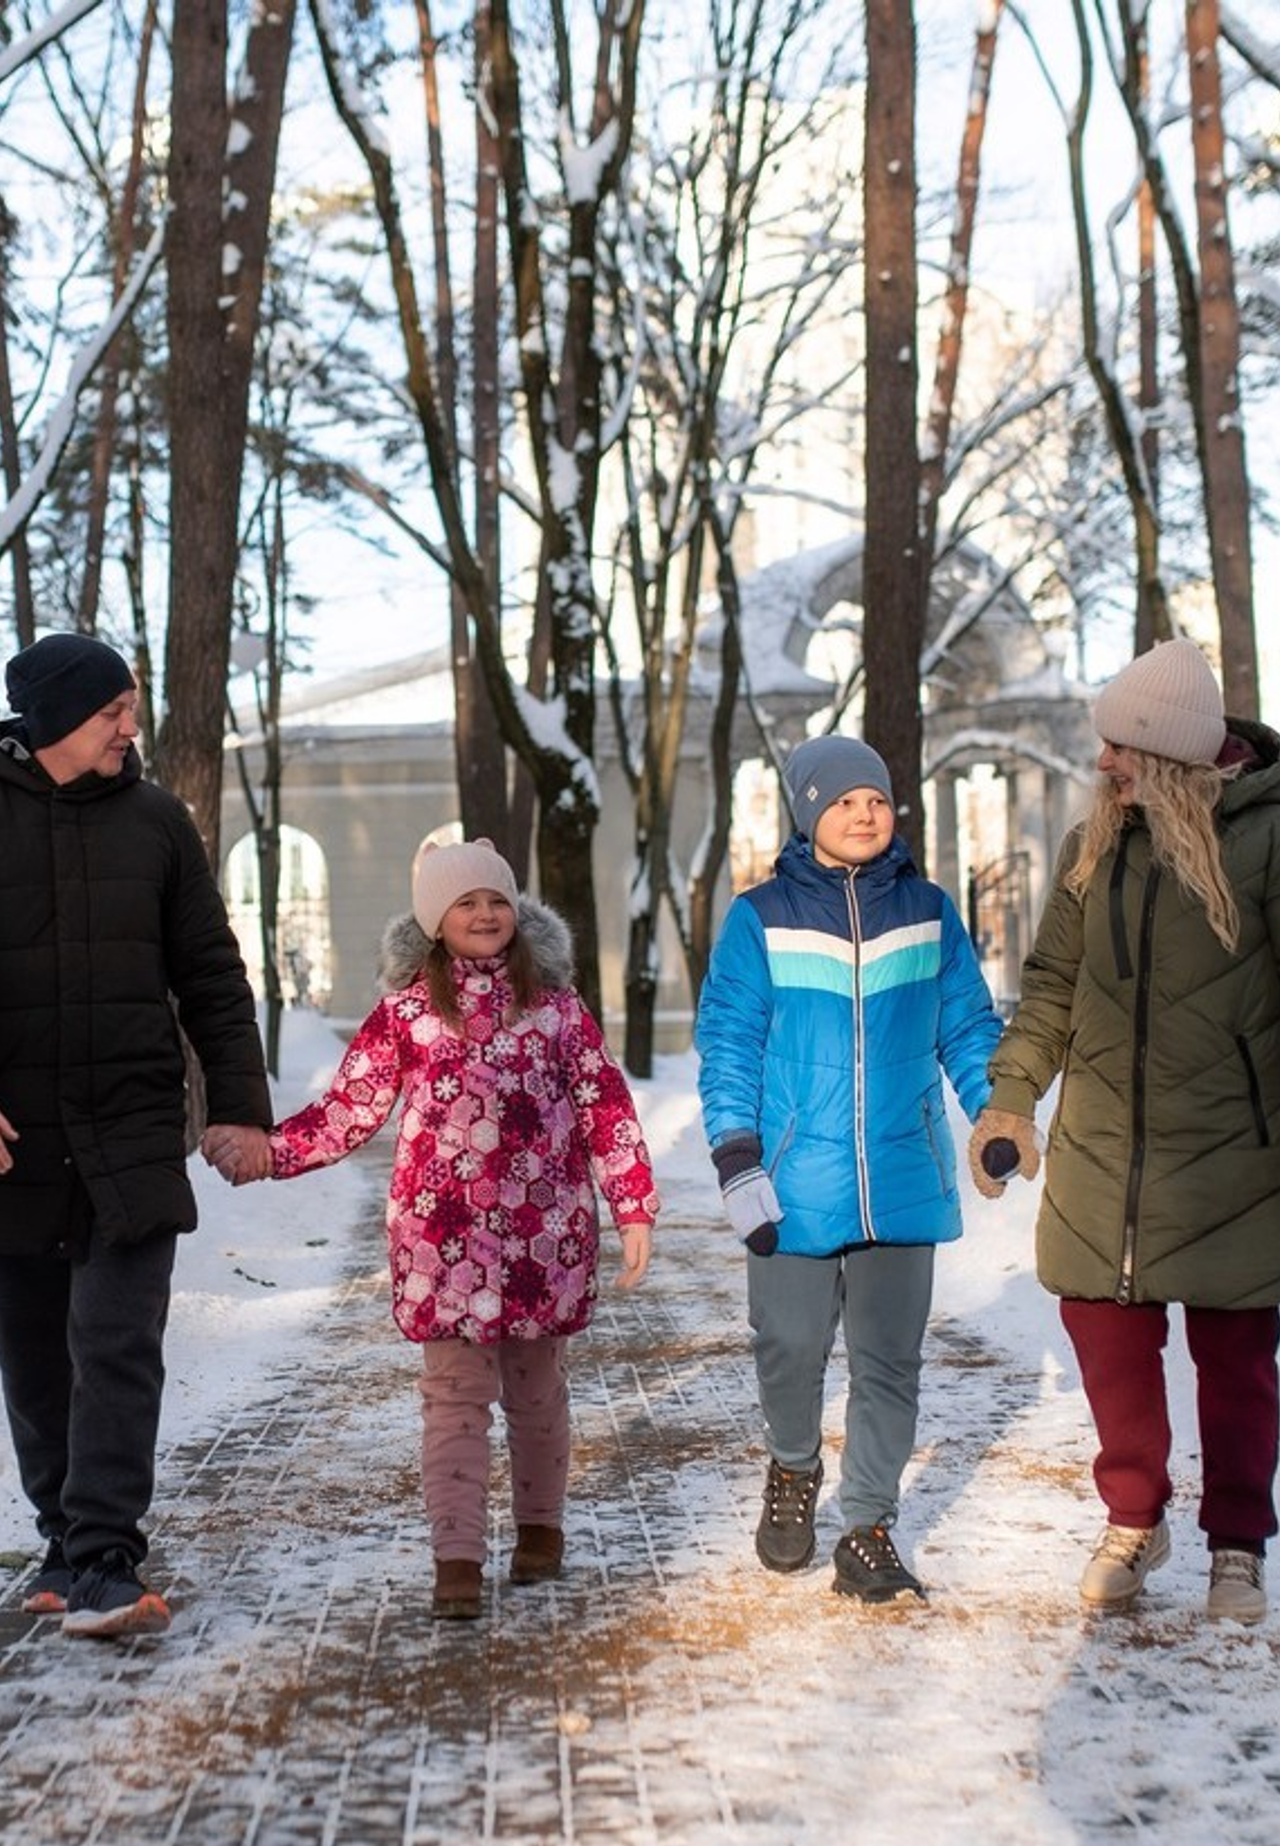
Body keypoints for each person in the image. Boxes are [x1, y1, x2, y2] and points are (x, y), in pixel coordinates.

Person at [205, 838, 658, 1621]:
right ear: (434, 922)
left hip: (544, 1241)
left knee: (537, 1392)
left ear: (516, 914)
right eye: (465, 902)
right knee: (453, 1399)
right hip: (442, 1245)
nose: (484, 913)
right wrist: (271, 1152)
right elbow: (350, 1110)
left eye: (496, 900)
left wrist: (634, 1203)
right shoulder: (407, 1013)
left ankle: (540, 1529)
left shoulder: (556, 1008)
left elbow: (603, 1105)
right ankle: (457, 1558)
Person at [969, 638, 1280, 1626]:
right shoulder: (1094, 845)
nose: (1101, 764)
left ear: (1172, 755)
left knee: (1233, 1360)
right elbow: (1051, 983)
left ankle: (1234, 1543)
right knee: (1106, 1342)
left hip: (1234, 1147)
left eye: (1119, 748)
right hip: (1106, 1143)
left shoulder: (1267, 841)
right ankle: (1131, 1516)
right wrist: (1010, 1097)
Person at [0, 632, 272, 1639]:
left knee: (116, 1344)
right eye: (112, 710)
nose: (129, 727)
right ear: (57, 717)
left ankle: (108, 1555)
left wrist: (238, 1104)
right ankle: (64, 1543)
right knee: (31, 1357)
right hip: (16, 1143)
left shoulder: (158, 822)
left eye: (131, 708)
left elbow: (209, 972)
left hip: (129, 1126)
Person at [696, 737, 1002, 1603]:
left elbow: (967, 1028)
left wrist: (995, 1112)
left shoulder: (930, 911)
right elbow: (729, 1043)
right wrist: (736, 1154)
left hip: (904, 1175)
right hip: (793, 1179)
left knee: (888, 1363)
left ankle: (866, 1526)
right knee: (789, 1346)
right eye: (843, 801)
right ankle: (793, 1465)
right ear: (809, 813)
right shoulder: (762, 918)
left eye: (876, 798)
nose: (864, 814)